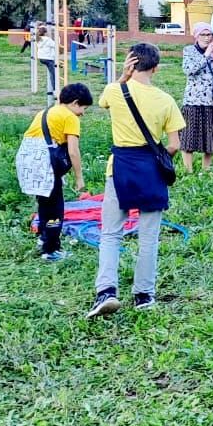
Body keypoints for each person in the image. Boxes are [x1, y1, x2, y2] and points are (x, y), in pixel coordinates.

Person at [87, 43, 185, 318]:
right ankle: (144, 294)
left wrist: (122, 77)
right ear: (156, 68)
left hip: (119, 168)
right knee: (149, 236)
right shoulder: (166, 100)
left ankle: (106, 291)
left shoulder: (114, 91)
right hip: (150, 169)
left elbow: (102, 102)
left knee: (110, 233)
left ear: (131, 64)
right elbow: (175, 145)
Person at [15, 83, 92, 261]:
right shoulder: (70, 117)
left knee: (44, 204)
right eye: (83, 108)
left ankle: (43, 239)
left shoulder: (45, 112)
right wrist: (79, 178)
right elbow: (73, 151)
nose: (83, 113)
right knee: (55, 209)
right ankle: (51, 250)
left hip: (29, 161)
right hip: (45, 164)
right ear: (75, 103)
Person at [180, 23, 213, 173]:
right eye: (203, 35)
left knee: (210, 136)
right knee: (188, 137)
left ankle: (206, 169)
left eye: (209, 34)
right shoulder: (189, 51)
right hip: (194, 101)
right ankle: (188, 170)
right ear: (196, 36)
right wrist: (206, 55)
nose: (206, 38)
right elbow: (189, 70)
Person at [35, 26, 58, 102]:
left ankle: (52, 89)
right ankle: (55, 91)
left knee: (51, 72)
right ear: (45, 32)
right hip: (48, 59)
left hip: (41, 58)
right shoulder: (48, 39)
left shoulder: (38, 38)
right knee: (53, 75)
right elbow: (56, 45)